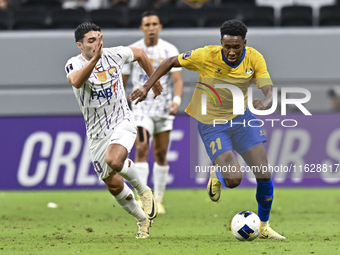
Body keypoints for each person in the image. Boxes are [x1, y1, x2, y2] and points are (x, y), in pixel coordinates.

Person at [130, 19, 286, 239]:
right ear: (221, 43)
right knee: (234, 180)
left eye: (236, 47)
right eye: (227, 46)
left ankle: (264, 227)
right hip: (212, 123)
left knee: (263, 172)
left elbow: (268, 89)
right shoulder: (206, 55)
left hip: (242, 119)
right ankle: (220, 174)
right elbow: (170, 62)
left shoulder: (254, 57)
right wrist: (147, 86)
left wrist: (266, 101)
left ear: (245, 43)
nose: (231, 51)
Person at [65, 22, 161, 238]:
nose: (97, 44)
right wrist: (95, 61)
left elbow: (140, 54)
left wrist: (152, 81)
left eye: (99, 38)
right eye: (91, 41)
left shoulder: (115, 54)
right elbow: (77, 82)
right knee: (114, 185)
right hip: (96, 133)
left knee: (115, 161)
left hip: (122, 120)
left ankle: (144, 191)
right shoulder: (73, 64)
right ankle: (142, 220)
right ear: (80, 45)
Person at [122, 10, 183, 214]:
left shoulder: (169, 49)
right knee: (141, 148)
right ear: (142, 28)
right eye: (147, 25)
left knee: (160, 153)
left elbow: (177, 81)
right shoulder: (134, 50)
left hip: (163, 109)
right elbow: (123, 81)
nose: (151, 28)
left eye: (154, 24)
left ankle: (159, 199)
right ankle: (144, 198)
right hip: (141, 108)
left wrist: (176, 100)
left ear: (160, 27)